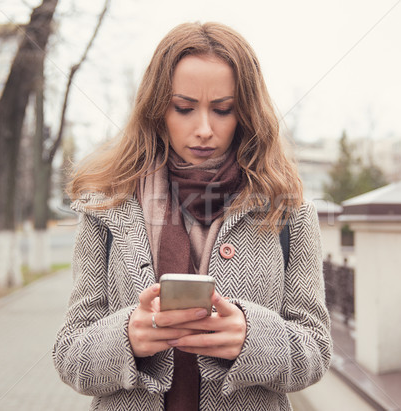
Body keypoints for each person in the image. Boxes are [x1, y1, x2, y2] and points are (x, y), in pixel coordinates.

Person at [53, 21, 332, 411]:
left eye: (223, 109)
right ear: (157, 110)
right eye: (184, 108)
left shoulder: (288, 207)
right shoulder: (108, 204)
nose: (204, 129)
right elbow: (70, 357)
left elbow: (316, 352)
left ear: (246, 112)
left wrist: (253, 337)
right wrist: (126, 336)